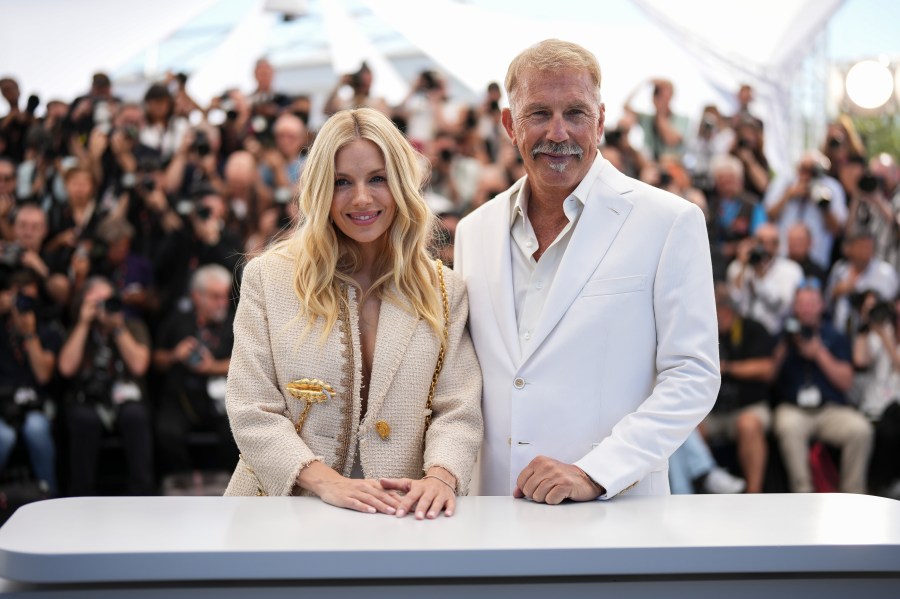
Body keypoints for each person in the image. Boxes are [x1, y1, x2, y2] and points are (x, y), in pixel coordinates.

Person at [454, 39, 719, 502]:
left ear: (599, 122)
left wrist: (597, 473)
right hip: (494, 513)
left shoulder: (669, 220)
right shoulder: (473, 231)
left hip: (616, 514)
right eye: (538, 113)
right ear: (508, 125)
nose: (558, 132)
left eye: (575, 113)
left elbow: (693, 375)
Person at [224, 108, 483, 521]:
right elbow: (250, 408)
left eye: (377, 179)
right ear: (320, 189)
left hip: (405, 518)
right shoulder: (268, 277)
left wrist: (441, 477)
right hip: (278, 516)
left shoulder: (444, 289)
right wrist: (327, 481)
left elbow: (459, 408)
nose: (361, 198)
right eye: (342, 182)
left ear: (401, 184)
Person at [772, 282, 873, 494]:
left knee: (861, 430)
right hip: (794, 409)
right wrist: (786, 344)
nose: (807, 309)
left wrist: (819, 353)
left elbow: (846, 381)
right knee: (788, 427)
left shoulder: (834, 336)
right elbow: (768, 374)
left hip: (830, 410)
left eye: (812, 304)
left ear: (821, 306)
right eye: (802, 304)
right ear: (795, 307)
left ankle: (853, 495)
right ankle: (803, 494)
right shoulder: (785, 334)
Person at [58, 276, 155, 495]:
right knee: (84, 419)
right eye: (96, 302)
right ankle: (80, 496)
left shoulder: (133, 326)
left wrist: (118, 328)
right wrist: (84, 323)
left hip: (126, 397)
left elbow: (139, 366)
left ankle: (142, 494)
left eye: (107, 300)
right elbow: (66, 368)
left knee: (136, 416)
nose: (103, 307)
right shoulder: (78, 329)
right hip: (88, 399)